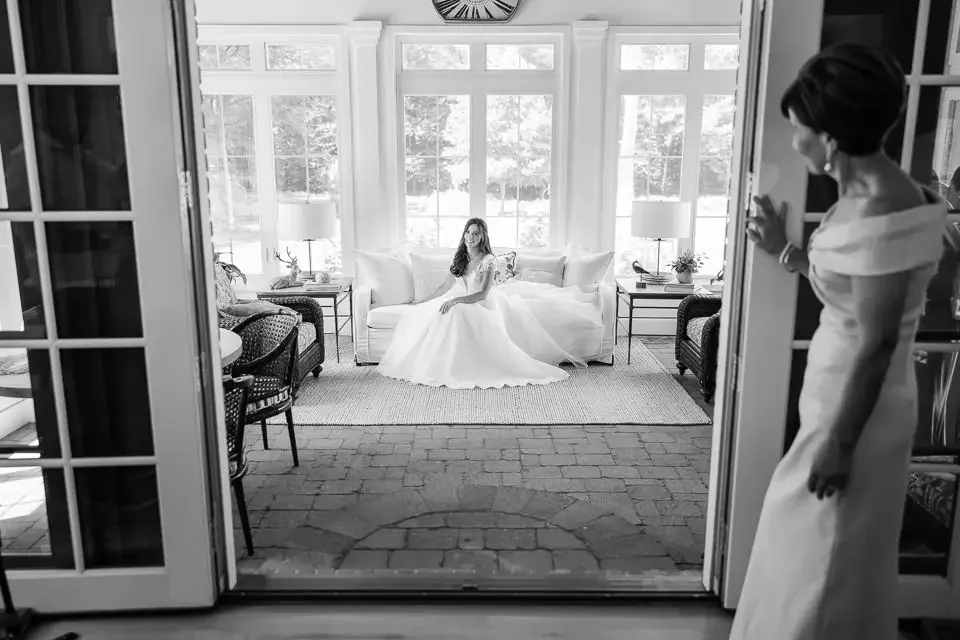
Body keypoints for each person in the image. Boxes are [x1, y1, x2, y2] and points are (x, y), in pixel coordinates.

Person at [732, 43, 948, 639]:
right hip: (839, 400)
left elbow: (876, 342)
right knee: (813, 551)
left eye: (798, 127)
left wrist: (840, 444)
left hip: (858, 413)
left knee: (822, 557)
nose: (793, 138)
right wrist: (786, 250)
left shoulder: (884, 208)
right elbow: (854, 286)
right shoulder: (865, 199)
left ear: (828, 136)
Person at [377, 218, 602, 389]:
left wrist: (456, 301)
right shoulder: (459, 259)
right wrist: (419, 301)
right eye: (468, 232)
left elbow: (483, 294)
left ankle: (462, 368)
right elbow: (444, 287)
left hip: (480, 303)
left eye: (475, 233)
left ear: (482, 237)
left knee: (456, 313)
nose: (470, 236)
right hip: (461, 300)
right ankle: (443, 365)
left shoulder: (488, 260)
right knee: (438, 312)